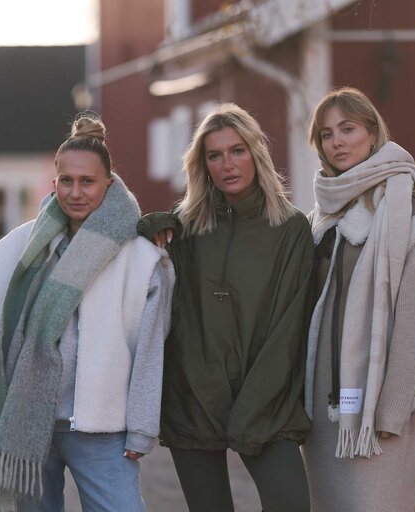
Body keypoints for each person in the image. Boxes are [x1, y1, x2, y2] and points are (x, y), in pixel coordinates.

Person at [0, 113, 174, 512]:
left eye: (88, 182)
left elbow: (151, 349)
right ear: (54, 180)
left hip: (102, 429)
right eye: (67, 181)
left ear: (108, 185)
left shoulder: (141, 258)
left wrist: (142, 429)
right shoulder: (16, 251)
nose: (76, 192)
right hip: (24, 427)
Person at [138, 103, 313, 512]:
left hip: (266, 402)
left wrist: (253, 407)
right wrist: (144, 233)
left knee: (291, 505)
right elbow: (155, 299)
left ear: (256, 153)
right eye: (214, 155)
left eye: (237, 151)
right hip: (194, 399)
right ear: (202, 164)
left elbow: (290, 329)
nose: (227, 165)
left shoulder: (290, 228)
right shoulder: (182, 229)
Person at [303, 87, 415, 512]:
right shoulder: (323, 213)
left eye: (347, 129)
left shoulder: (404, 208)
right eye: (327, 133)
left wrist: (391, 410)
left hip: (381, 397)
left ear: (372, 133)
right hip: (324, 394)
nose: (337, 141)